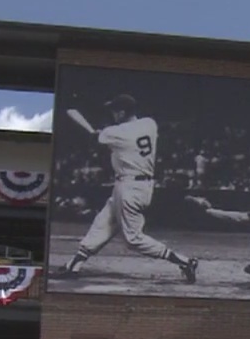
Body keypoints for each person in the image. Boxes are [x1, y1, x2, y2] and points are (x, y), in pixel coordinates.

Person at [58, 94, 198, 283]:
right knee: (104, 222)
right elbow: (114, 136)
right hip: (137, 185)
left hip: (130, 187)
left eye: (115, 111)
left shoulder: (115, 132)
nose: (113, 114)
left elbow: (95, 137)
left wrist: (95, 131)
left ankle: (184, 261)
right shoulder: (150, 123)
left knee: (133, 239)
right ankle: (74, 265)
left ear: (122, 112)